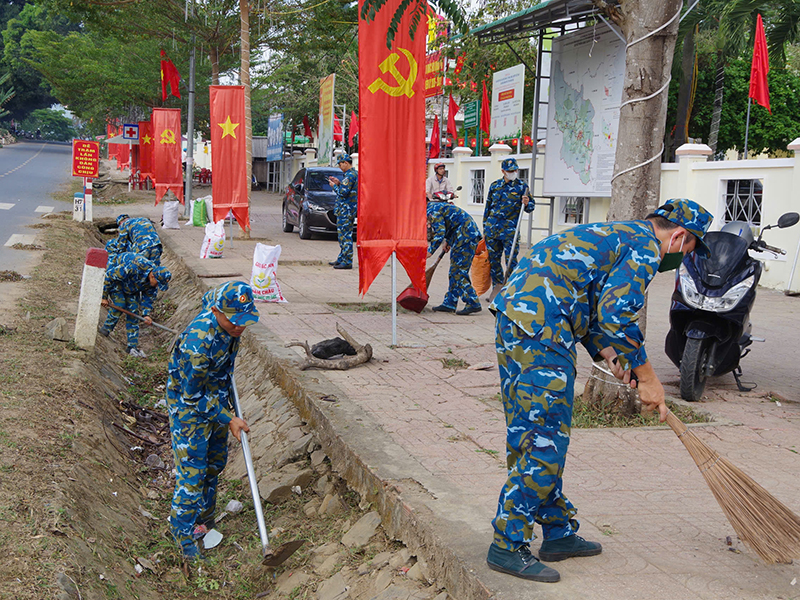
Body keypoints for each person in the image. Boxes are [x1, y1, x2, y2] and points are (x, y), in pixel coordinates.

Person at [486, 199, 713, 583]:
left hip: (525, 323)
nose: (685, 256)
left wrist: (611, 356)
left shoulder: (620, 235)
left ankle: (557, 532)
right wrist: (650, 378)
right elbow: (618, 317)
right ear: (679, 236)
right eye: (691, 248)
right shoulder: (645, 249)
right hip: (540, 333)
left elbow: (592, 306)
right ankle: (507, 545)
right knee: (543, 439)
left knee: (542, 434)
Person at [166, 281, 259, 560]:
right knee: (192, 472)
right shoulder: (198, 341)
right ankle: (181, 532)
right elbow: (192, 396)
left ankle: (203, 520)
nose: (240, 327)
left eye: (245, 320)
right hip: (189, 409)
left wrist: (226, 411)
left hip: (217, 400)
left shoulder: (230, 323)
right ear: (217, 311)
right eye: (234, 321)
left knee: (215, 463)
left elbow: (223, 370)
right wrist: (228, 418)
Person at [99, 252, 171, 357]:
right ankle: (105, 330)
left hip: (132, 288)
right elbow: (109, 276)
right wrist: (104, 297)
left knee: (133, 312)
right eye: (157, 283)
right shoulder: (135, 266)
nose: (157, 286)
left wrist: (146, 314)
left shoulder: (153, 283)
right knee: (120, 304)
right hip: (117, 281)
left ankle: (132, 346)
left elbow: (148, 298)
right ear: (152, 276)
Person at [483, 157, 534, 302]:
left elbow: (530, 208)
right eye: (510, 170)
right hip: (493, 229)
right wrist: (485, 228)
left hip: (510, 231)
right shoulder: (495, 186)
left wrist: (527, 202)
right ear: (503, 171)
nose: (513, 173)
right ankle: (497, 288)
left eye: (515, 170)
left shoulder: (522, 187)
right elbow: (488, 208)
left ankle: (513, 289)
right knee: (494, 260)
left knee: (511, 260)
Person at [426, 200, 482, 315]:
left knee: (458, 272)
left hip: (465, 237)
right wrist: (448, 241)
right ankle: (450, 303)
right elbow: (450, 224)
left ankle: (473, 302)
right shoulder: (434, 206)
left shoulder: (432, 210)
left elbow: (440, 232)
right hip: (461, 236)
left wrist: (430, 251)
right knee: (454, 271)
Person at [328, 154, 358, 270]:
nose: (340, 167)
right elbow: (346, 189)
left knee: (345, 236)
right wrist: (339, 183)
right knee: (343, 236)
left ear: (346, 163)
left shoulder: (350, 176)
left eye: (340, 164)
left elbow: (343, 193)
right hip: (347, 210)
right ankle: (342, 258)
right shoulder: (352, 175)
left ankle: (347, 261)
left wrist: (334, 186)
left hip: (345, 210)